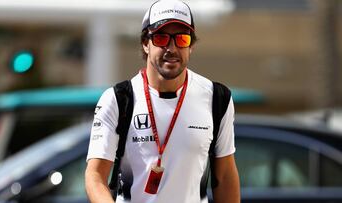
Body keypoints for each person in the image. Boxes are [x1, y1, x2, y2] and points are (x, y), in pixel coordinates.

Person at [85, 0, 240, 202]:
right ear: (145, 43)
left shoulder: (217, 98)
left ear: (191, 46)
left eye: (182, 39)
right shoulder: (117, 99)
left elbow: (226, 176)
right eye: (161, 38)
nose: (171, 48)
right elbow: (95, 176)